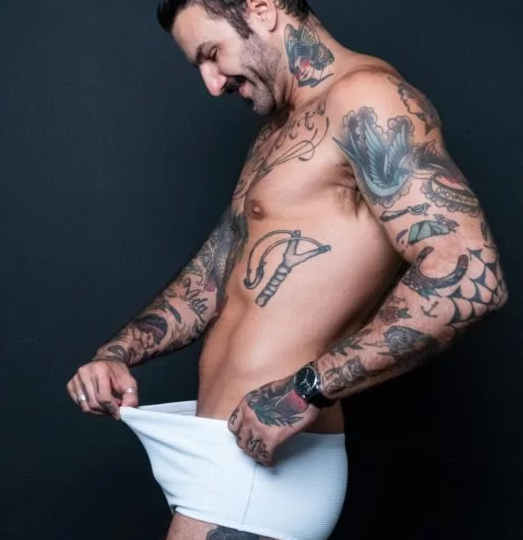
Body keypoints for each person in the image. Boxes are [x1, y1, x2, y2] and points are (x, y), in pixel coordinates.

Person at [66, 1, 509, 539]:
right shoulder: (280, 129)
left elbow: (469, 274)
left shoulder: (367, 98)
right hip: (221, 450)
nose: (212, 83)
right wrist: (117, 353)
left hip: (266, 467)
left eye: (212, 54)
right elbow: (215, 273)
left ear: (262, 9)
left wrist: (306, 389)